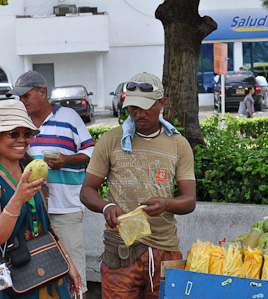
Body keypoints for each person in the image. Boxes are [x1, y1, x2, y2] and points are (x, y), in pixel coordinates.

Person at [0, 70, 94, 297]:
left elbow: (47, 227)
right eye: (13, 133)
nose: (22, 140)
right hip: (11, 279)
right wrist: (18, 199)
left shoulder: (27, 168)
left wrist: (68, 262)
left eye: (26, 134)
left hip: (42, 268)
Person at [79, 72, 196, 299]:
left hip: (165, 250)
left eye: (145, 107)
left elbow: (189, 200)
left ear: (162, 103)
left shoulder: (179, 144)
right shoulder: (110, 140)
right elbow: (87, 191)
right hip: (120, 249)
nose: (138, 113)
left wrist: (166, 203)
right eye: (133, 107)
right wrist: (106, 207)